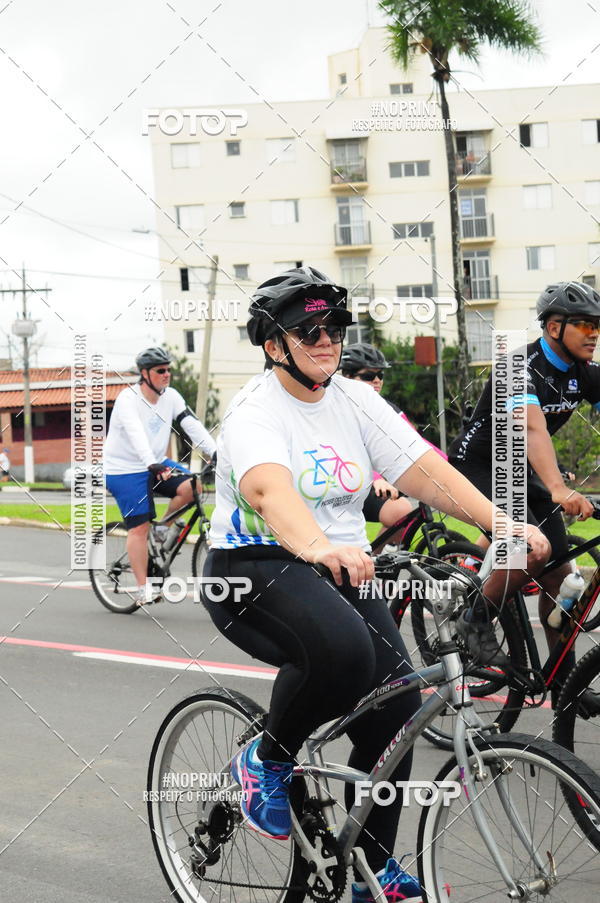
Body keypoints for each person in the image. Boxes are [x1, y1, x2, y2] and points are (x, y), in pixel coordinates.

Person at [202, 266, 548, 902]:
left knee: (396, 711)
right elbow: (266, 490)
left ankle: (370, 866)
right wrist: (315, 545)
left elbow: (423, 471)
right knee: (343, 653)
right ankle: (265, 764)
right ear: (275, 345)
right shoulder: (254, 410)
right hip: (255, 567)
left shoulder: (354, 399)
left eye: (335, 327)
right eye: (310, 330)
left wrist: (503, 523)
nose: (328, 340)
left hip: (343, 567)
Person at [449, 281, 600, 682]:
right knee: (531, 549)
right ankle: (474, 617)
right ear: (553, 328)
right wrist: (559, 488)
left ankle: (563, 685)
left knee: (560, 579)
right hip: (480, 466)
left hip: (521, 472)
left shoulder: (584, 374)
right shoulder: (516, 367)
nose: (594, 334)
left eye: (597, 325)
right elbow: (533, 431)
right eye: (584, 325)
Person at [104, 347, 216, 606]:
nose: (167, 374)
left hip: (155, 462)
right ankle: (143, 588)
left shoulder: (172, 397)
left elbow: (191, 425)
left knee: (194, 485)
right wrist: (151, 463)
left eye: (169, 370)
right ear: (144, 374)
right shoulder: (128, 399)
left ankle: (162, 530)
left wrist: (216, 453)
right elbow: (135, 434)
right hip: (124, 469)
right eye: (160, 370)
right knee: (139, 527)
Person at [340, 343, 448, 547]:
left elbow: (416, 443)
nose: (377, 381)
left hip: (382, 485)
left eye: (380, 375)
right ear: (347, 376)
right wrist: (376, 479)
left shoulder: (387, 408)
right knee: (400, 510)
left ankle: (374, 566)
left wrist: (449, 466)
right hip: (345, 486)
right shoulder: (336, 410)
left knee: (403, 516)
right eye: (368, 376)